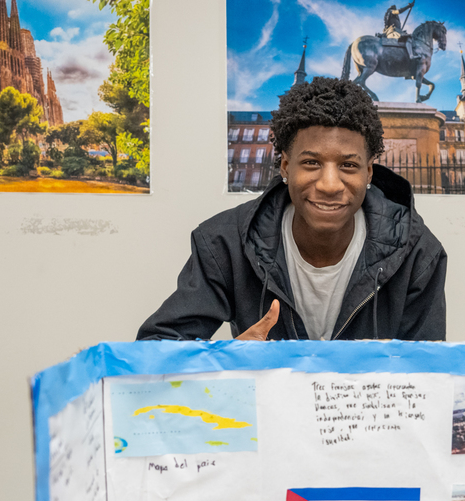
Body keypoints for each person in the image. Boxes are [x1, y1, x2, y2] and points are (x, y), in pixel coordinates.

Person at [137, 77, 446, 342]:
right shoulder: (223, 242)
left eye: (348, 165)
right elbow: (156, 347)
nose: (329, 184)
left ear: (369, 172)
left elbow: (430, 376)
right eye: (311, 163)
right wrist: (228, 360)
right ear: (285, 166)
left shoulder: (417, 252)